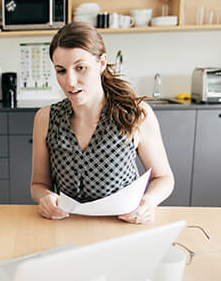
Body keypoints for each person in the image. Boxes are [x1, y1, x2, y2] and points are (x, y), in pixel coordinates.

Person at [30, 22, 174, 224]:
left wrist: (148, 202)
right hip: (66, 226)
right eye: (61, 70)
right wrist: (45, 198)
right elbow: (38, 184)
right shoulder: (45, 118)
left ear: (102, 63)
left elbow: (164, 178)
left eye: (80, 68)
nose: (70, 81)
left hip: (122, 227)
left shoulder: (136, 114)